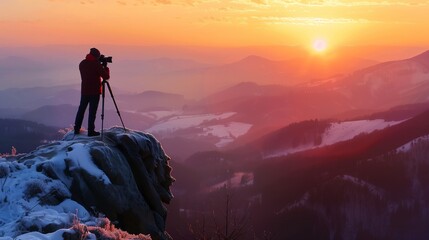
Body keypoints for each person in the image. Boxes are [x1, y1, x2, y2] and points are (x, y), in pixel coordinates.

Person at [74, 48, 110, 136]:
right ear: (96, 56)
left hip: (85, 91)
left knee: (81, 110)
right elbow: (106, 76)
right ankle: (91, 131)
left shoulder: (82, 63)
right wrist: (105, 67)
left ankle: (76, 128)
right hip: (95, 91)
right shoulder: (96, 64)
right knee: (92, 112)